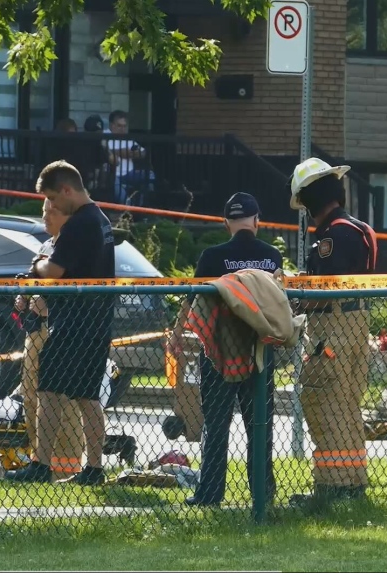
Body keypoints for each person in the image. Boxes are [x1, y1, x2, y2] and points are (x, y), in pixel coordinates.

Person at [167, 192, 284, 507]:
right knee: (259, 427)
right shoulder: (272, 257)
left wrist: (176, 335)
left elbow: (192, 299)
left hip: (218, 351)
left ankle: (210, 494)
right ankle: (262, 493)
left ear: (226, 223)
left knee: (216, 425)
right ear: (256, 221)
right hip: (259, 351)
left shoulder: (212, 256)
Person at [5, 160, 116, 486]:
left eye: (53, 198)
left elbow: (53, 271)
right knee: (87, 397)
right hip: (97, 321)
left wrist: (36, 265)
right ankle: (93, 469)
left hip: (73, 322)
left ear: (67, 190)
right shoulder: (100, 219)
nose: (51, 206)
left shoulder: (79, 223)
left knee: (49, 392)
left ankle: (41, 466)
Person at [287, 157, 377, 512]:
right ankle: (352, 484)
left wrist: (294, 296)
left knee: (324, 405)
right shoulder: (360, 228)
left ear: (311, 199)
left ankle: (332, 489)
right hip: (356, 326)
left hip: (331, 330)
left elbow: (327, 291)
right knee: (347, 407)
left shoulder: (333, 236)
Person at [14, 198, 86, 478]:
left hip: (57, 330)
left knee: (62, 402)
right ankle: (39, 462)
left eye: (50, 212)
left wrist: (48, 302)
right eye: (43, 211)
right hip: (35, 330)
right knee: (30, 396)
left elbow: (71, 288)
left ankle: (65, 467)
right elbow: (37, 278)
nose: (44, 217)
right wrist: (25, 295)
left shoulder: (70, 247)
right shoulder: (46, 246)